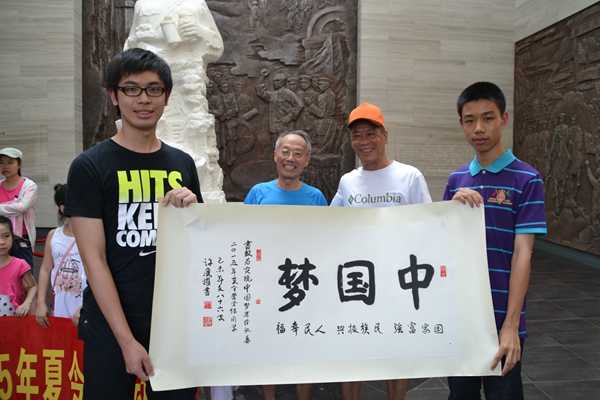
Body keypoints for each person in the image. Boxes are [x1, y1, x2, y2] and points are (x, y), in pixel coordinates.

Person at [64, 48, 202, 400]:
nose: (143, 99)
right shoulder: (89, 166)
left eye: (154, 89)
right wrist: (126, 341)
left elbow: (196, 246)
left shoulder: (183, 163)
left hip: (172, 325)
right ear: (114, 96)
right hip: (110, 326)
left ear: (166, 96)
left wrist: (193, 210)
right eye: (131, 89)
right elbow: (94, 259)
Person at [444, 82, 547, 400]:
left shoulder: (527, 179)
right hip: (462, 317)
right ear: (461, 124)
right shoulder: (456, 180)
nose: (479, 128)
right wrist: (451, 210)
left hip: (503, 318)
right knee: (460, 395)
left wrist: (511, 326)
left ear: (504, 119)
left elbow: (522, 254)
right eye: (470, 120)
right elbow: (444, 248)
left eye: (488, 118)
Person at [331, 102, 432, 400]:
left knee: (396, 354)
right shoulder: (348, 182)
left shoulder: (410, 176)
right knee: (353, 353)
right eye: (357, 135)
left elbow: (427, 229)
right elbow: (328, 225)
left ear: (385, 136)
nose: (364, 141)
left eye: (370, 133)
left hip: (397, 283)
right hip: (357, 282)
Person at [245, 130, 326, 400]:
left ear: (307, 160)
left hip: (304, 283)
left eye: (298, 154)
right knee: (268, 345)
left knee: (303, 345)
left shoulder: (316, 197)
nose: (290, 158)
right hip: (266, 284)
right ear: (275, 155)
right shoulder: (258, 193)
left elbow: (326, 242)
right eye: (285, 152)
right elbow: (242, 234)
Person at [35, 184, 87, 328]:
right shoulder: (54, 235)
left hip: (85, 305)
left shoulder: (92, 236)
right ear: (63, 209)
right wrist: (41, 303)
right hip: (60, 305)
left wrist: (86, 306)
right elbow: (45, 269)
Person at [0, 147, 37, 269]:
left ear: (19, 164)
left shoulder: (29, 186)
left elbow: (21, 207)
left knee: (24, 272)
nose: (5, 166)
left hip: (21, 236)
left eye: (10, 162)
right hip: (1, 236)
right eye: (1, 162)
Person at [0, 216, 37, 317]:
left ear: (13, 237)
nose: (2, 242)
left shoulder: (20, 264)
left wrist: (27, 303)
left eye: (6, 236)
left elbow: (33, 286)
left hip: (13, 321)